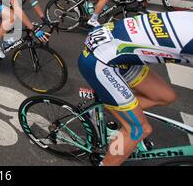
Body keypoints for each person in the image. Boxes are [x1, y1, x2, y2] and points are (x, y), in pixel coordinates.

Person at [78, 11, 193, 166]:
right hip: (101, 59)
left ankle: (109, 109)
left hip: (114, 45)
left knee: (166, 96)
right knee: (138, 130)